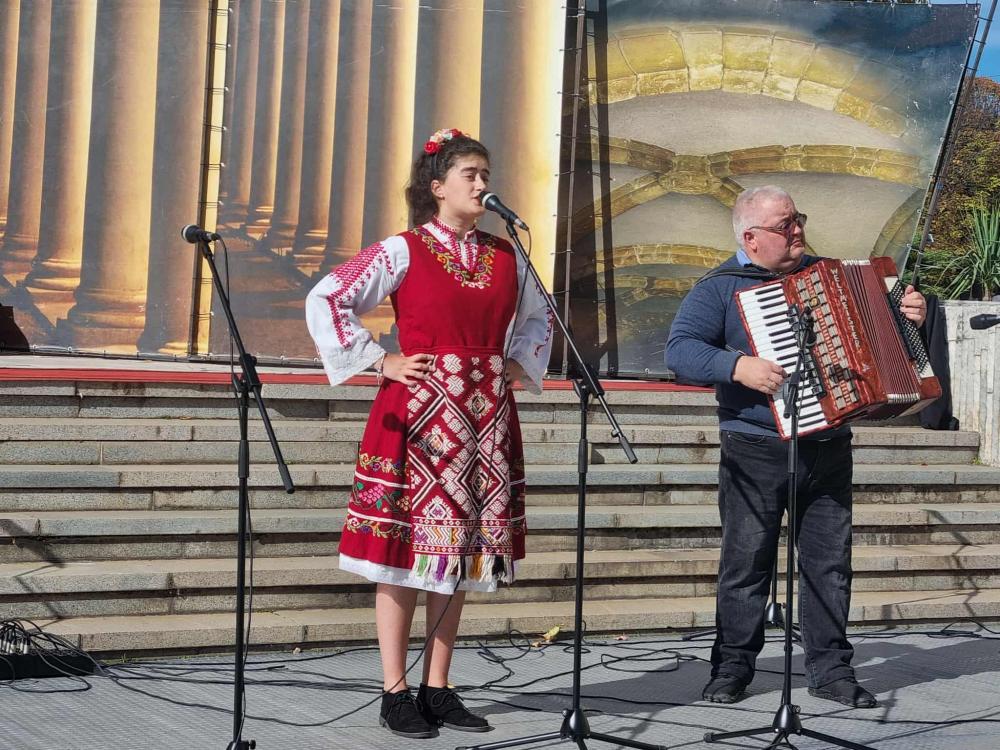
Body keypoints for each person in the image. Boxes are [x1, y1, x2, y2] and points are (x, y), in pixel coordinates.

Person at [305, 128, 553, 739]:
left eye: (486, 174)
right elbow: (328, 296)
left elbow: (539, 316)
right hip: (418, 417)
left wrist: (517, 363)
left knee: (459, 551)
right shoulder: (403, 248)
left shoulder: (507, 255)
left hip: (483, 417)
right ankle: (394, 691)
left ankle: (437, 686)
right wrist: (380, 360)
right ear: (437, 186)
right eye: (470, 174)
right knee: (402, 558)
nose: (482, 184)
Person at [665, 185, 926, 708]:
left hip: (829, 444)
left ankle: (831, 670)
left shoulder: (834, 276)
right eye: (784, 225)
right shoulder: (720, 287)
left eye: (797, 219)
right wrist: (737, 365)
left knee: (830, 565)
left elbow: (880, 338)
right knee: (746, 563)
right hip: (754, 444)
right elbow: (680, 351)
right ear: (751, 237)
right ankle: (732, 666)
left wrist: (909, 315)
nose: (797, 230)